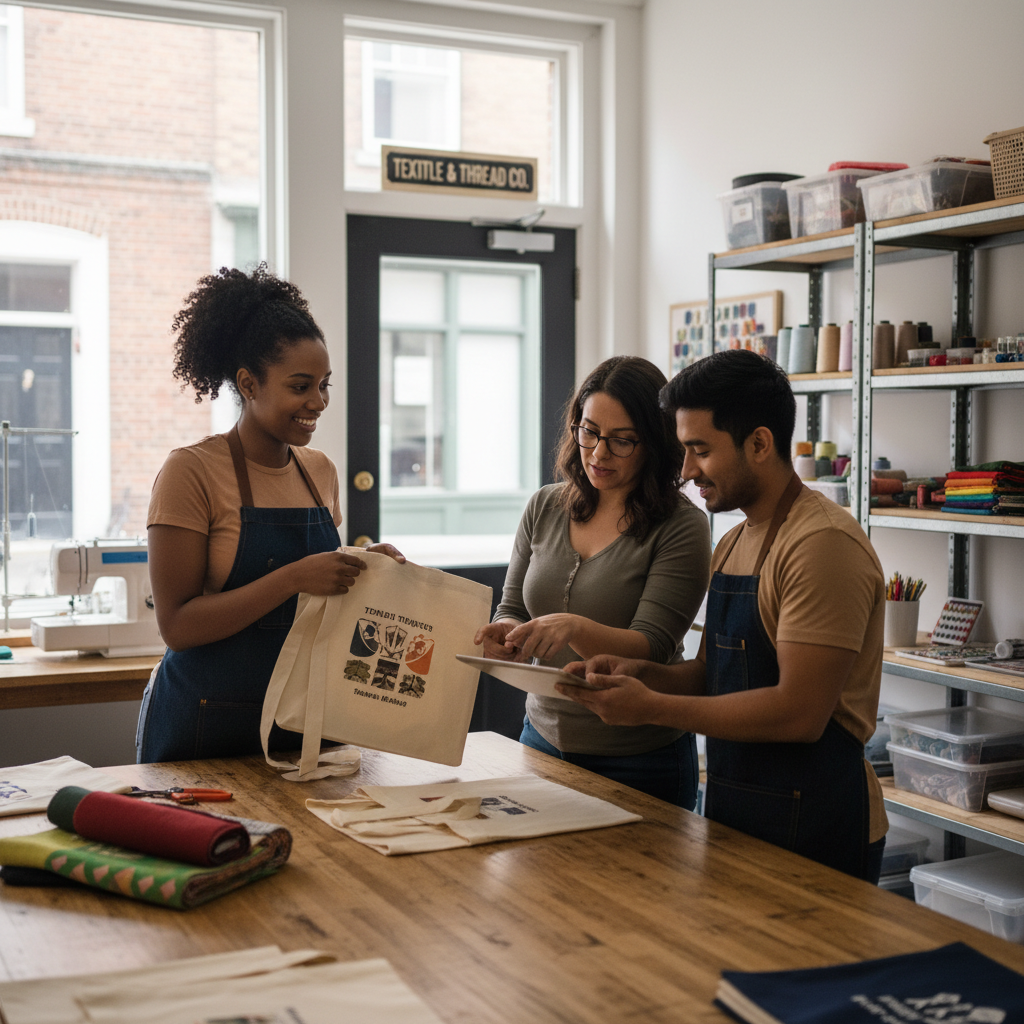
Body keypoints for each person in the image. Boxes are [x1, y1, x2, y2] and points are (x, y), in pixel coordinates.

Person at [558, 350, 888, 882]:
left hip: (820, 819)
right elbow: (716, 672)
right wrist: (643, 675)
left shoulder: (820, 544)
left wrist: (653, 708)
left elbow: (799, 713)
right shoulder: (735, 541)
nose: (686, 471)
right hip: (741, 808)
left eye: (699, 451)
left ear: (759, 443)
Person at [137, 265, 403, 762]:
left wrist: (364, 570)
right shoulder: (189, 472)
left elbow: (320, 602)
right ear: (249, 383)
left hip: (303, 723)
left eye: (325, 385)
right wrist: (294, 577)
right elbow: (177, 624)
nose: (318, 402)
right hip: (204, 725)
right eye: (301, 386)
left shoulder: (319, 471)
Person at [474, 356, 711, 807]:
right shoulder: (545, 506)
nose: (599, 454)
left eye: (623, 441)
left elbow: (651, 647)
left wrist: (574, 627)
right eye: (589, 432)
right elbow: (513, 607)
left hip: (638, 757)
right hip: (540, 738)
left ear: (656, 443)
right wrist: (505, 633)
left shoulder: (681, 526)